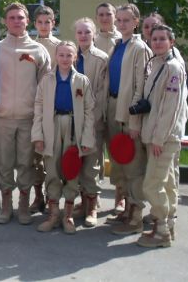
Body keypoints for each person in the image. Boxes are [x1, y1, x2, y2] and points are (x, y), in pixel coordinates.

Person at [0, 3, 50, 225]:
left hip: (28, 118)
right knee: (5, 163)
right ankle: (6, 205)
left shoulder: (39, 50)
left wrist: (41, 118)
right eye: (12, 17)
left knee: (26, 164)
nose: (16, 21)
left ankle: (24, 205)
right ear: (5, 21)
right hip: (3, 117)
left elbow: (45, 87)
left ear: (28, 20)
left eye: (20, 17)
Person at [32, 41, 95, 234]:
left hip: (74, 127)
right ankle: (53, 215)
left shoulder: (82, 81)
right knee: (52, 170)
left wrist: (86, 139)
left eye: (69, 55)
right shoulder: (47, 80)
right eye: (61, 55)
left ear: (75, 57)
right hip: (51, 126)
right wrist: (38, 135)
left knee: (71, 170)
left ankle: (67, 215)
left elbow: (89, 111)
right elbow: (39, 108)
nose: (65, 59)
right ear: (56, 56)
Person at [137, 24, 187, 248]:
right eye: (154, 39)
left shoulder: (173, 67)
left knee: (151, 185)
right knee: (164, 183)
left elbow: (171, 109)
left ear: (171, 42)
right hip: (155, 134)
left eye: (162, 39)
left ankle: (161, 232)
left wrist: (159, 138)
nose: (157, 42)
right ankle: (167, 226)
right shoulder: (156, 63)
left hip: (164, 138)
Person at [105, 3, 152, 236]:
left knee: (134, 166)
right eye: (119, 20)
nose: (121, 24)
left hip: (128, 113)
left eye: (126, 20)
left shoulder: (139, 48)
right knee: (120, 161)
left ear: (136, 22)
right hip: (113, 108)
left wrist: (134, 121)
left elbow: (140, 86)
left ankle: (136, 217)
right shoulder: (118, 45)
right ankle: (126, 211)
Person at [73, 17, 108, 227]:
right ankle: (82, 201)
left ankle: (93, 206)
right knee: (76, 163)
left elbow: (102, 94)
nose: (84, 36)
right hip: (71, 120)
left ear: (94, 34)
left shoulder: (101, 59)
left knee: (91, 165)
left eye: (87, 32)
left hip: (92, 120)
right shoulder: (70, 56)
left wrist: (92, 121)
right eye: (80, 32)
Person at [29, 5, 60, 213]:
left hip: (54, 107)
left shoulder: (60, 47)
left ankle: (53, 197)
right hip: (33, 105)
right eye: (39, 22)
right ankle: (37, 195)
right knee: (34, 156)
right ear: (34, 24)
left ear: (53, 23)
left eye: (47, 22)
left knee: (52, 155)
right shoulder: (29, 45)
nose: (43, 26)